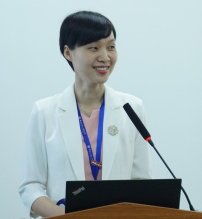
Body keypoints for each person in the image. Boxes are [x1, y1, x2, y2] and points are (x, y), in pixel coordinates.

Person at [18, 11, 152, 218]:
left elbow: (142, 182)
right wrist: (66, 216)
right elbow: (31, 186)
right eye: (94, 48)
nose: (105, 57)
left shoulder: (132, 108)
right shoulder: (44, 112)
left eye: (111, 47)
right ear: (68, 53)